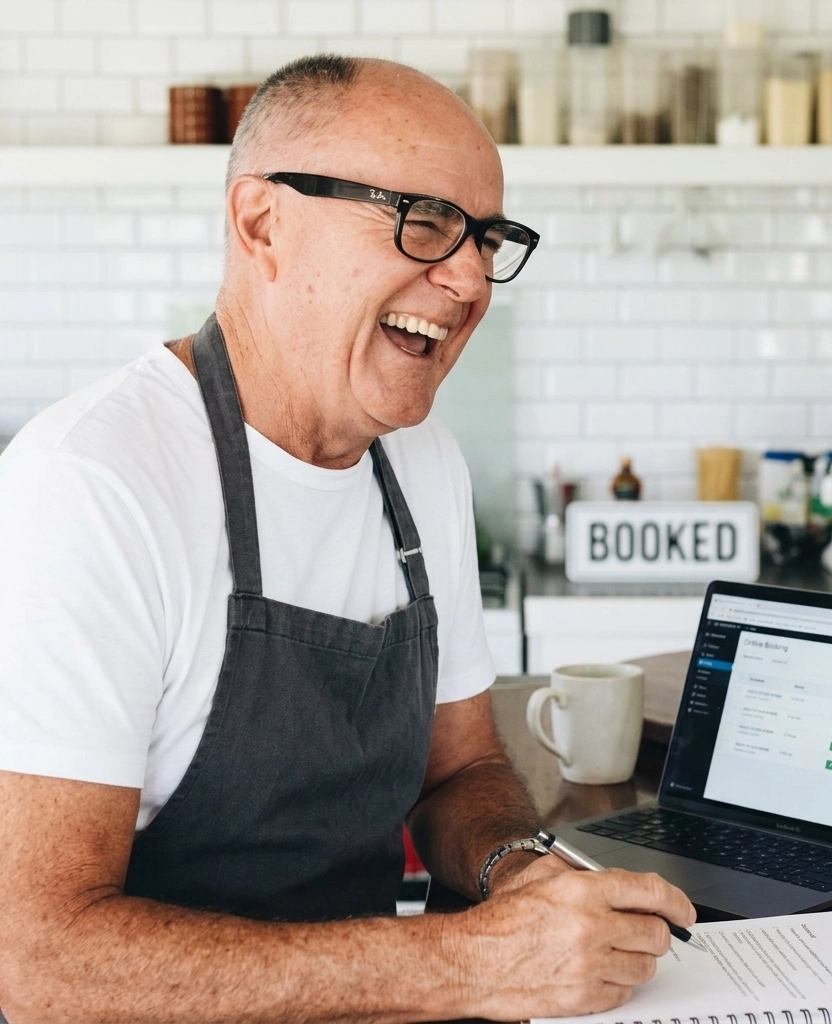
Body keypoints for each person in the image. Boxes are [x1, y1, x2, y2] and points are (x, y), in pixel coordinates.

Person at [0, 55, 694, 1023]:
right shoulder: (95, 482)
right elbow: (34, 961)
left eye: (486, 238)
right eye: (422, 220)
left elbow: (459, 773)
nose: (466, 278)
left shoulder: (422, 463)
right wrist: (468, 965)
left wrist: (515, 874)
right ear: (262, 224)